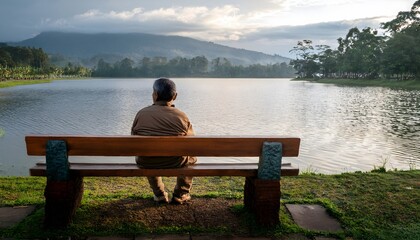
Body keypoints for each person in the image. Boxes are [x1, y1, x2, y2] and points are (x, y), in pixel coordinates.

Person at [131, 77, 197, 204]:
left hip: (147, 161)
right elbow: (191, 144)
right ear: (175, 96)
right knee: (192, 155)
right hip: (175, 161)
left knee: (147, 152)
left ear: (155, 95)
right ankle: (181, 194)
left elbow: (134, 138)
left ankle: (159, 194)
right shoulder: (181, 116)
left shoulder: (141, 114)